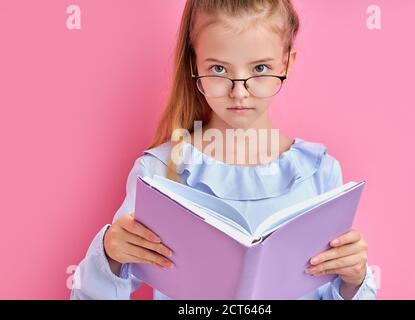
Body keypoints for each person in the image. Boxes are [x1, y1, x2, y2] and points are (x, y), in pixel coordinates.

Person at [71, 0, 377, 300]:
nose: (239, 92)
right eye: (219, 68)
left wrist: (354, 281)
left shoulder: (320, 173)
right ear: (195, 66)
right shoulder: (158, 172)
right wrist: (110, 254)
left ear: (286, 64)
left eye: (260, 68)